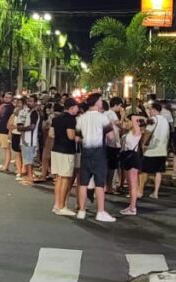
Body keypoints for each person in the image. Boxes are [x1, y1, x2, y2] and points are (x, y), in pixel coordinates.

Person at [76, 92, 116, 222]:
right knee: (99, 183)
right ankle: (101, 211)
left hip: (86, 152)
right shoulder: (103, 118)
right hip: (99, 152)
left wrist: (87, 139)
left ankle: (81, 210)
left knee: (83, 182)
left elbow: (77, 138)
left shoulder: (81, 118)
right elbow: (111, 137)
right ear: (96, 102)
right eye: (100, 100)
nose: (101, 102)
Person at [50, 98, 79, 216]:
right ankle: (62, 206)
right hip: (66, 151)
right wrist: (80, 138)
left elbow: (51, 134)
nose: (78, 109)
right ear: (71, 107)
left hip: (56, 149)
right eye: (76, 106)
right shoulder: (71, 119)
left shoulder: (56, 119)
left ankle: (57, 205)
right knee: (66, 178)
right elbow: (71, 136)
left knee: (59, 178)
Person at [140, 101, 171, 199]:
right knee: (158, 172)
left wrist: (143, 143)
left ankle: (140, 190)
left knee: (144, 171)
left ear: (153, 110)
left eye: (150, 109)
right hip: (162, 149)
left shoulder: (153, 119)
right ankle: (156, 192)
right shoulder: (165, 120)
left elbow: (148, 132)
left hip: (151, 150)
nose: (149, 111)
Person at [119, 113, 145, 216]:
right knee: (129, 184)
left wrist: (124, 115)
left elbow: (134, 117)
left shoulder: (137, 131)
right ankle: (130, 206)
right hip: (126, 156)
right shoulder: (128, 132)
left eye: (127, 121)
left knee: (133, 184)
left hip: (132, 156)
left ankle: (133, 207)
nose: (126, 123)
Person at [19, 94, 42, 186]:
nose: (29, 103)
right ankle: (29, 176)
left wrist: (21, 129)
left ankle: (30, 178)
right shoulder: (31, 112)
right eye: (28, 101)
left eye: (31, 101)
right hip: (28, 139)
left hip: (30, 140)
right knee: (28, 160)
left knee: (29, 161)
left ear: (35, 102)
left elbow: (32, 127)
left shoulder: (34, 113)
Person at [104, 97, 123, 194]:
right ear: (115, 105)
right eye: (120, 106)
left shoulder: (105, 113)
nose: (120, 108)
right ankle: (109, 187)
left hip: (106, 142)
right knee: (112, 167)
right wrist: (123, 116)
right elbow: (120, 125)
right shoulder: (112, 113)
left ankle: (106, 186)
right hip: (113, 143)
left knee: (107, 165)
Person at [9, 97, 26, 178]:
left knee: (24, 153)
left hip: (23, 135)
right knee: (17, 153)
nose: (19, 105)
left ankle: (24, 169)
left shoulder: (26, 112)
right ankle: (19, 170)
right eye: (17, 103)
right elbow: (9, 125)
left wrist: (16, 126)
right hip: (15, 134)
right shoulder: (14, 113)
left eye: (20, 103)